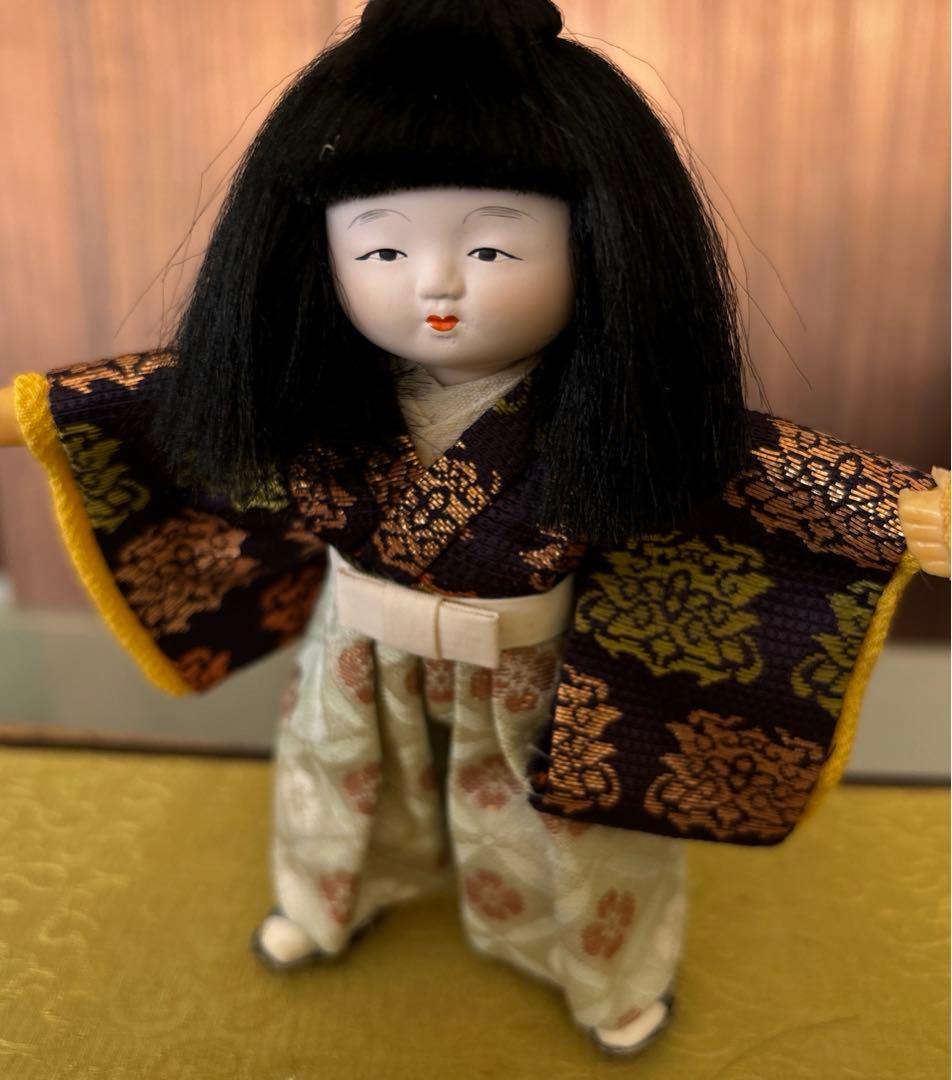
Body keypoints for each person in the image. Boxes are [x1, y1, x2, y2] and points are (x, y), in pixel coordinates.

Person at [1, 0, 948, 1057]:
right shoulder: (314, 388)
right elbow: (152, 396)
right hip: (358, 646)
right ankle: (323, 904)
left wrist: (899, 510)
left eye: (493, 248)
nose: (436, 284)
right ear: (316, 252)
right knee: (335, 790)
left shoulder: (605, 406)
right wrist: (35, 414)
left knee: (567, 832)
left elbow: (759, 469)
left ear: (600, 245)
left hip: (534, 662)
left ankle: (605, 972)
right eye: (381, 248)